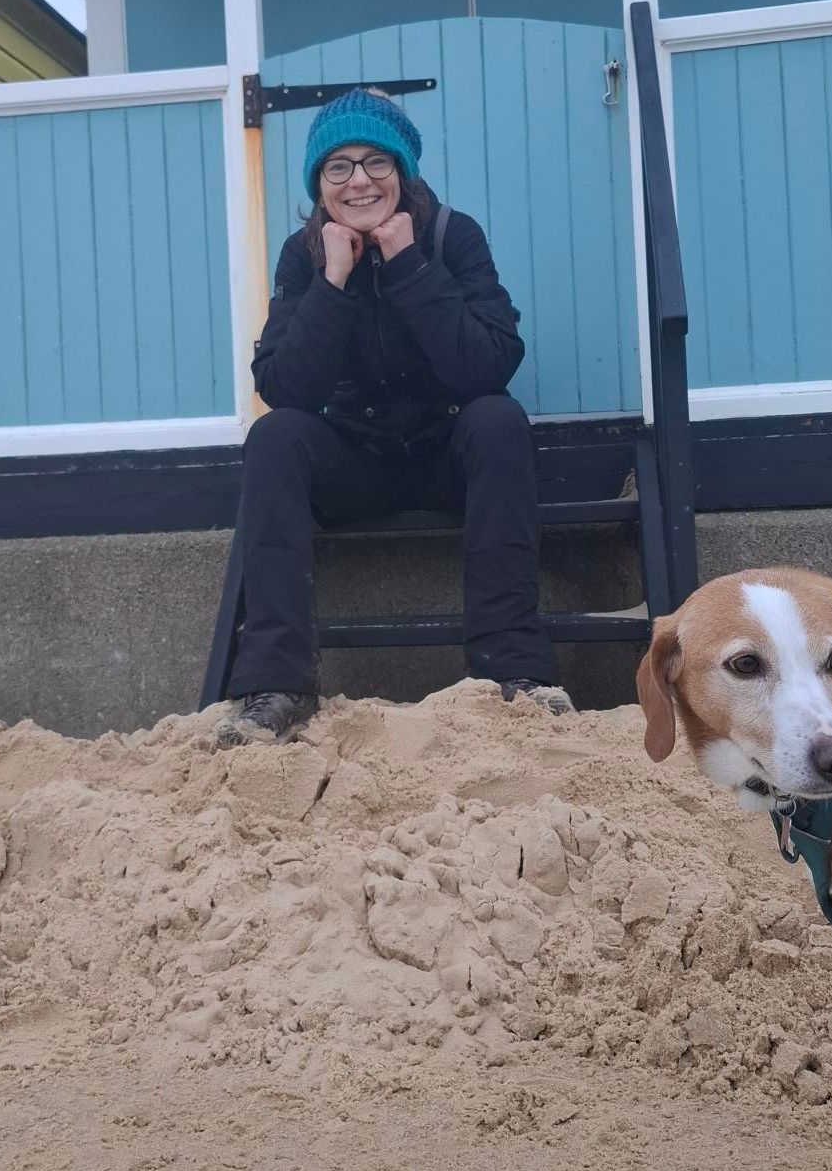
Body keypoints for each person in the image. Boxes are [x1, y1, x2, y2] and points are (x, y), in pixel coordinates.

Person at [217, 88, 572, 747]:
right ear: (319, 183)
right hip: (358, 465)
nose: (359, 180)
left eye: (376, 161)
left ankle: (513, 675)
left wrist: (408, 265)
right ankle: (278, 686)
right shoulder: (304, 255)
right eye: (339, 166)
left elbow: (489, 365)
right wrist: (333, 282)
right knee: (275, 437)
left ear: (402, 171)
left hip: (447, 456)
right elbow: (285, 387)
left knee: (499, 420)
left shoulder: (451, 236)